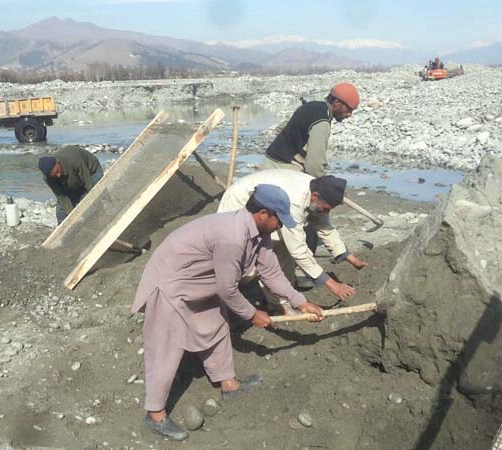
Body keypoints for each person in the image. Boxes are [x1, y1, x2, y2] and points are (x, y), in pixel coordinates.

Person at [132, 184, 325, 440]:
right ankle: (155, 415)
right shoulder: (232, 237)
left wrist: (300, 301)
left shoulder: (259, 232)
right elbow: (227, 289)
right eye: (279, 219)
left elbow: (271, 272)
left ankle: (229, 384)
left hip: (200, 281)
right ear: (263, 213)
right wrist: (252, 314)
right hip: (171, 282)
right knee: (166, 348)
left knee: (215, 324)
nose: (281, 225)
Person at [219, 170, 368, 303]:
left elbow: (324, 226)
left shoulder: (318, 191)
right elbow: (298, 249)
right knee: (246, 261)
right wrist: (331, 284)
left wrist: (349, 257)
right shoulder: (294, 200)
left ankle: (279, 302)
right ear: (315, 196)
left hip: (270, 210)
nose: (326, 212)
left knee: (281, 251)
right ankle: (231, 295)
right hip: (241, 203)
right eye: (326, 208)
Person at [263, 82, 359, 177]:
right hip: (284, 169)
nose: (349, 115)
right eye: (349, 110)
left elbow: (281, 128)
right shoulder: (322, 121)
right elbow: (314, 166)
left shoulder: (312, 106)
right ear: (336, 102)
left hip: (270, 162)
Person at [38, 146, 104, 224]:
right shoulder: (48, 178)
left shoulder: (73, 160)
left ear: (57, 162)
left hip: (91, 172)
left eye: (57, 171)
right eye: (54, 175)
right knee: (61, 212)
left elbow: (88, 183)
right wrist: (73, 216)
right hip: (71, 182)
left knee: (87, 200)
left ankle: (101, 218)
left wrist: (96, 202)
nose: (58, 175)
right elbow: (61, 196)